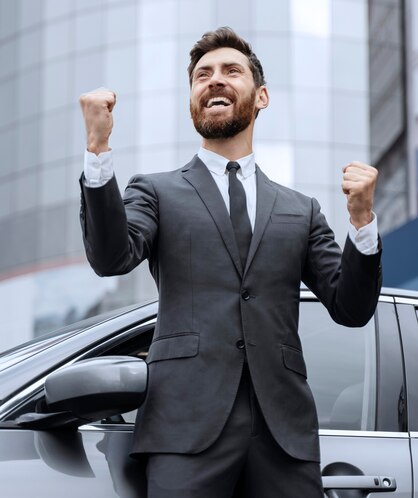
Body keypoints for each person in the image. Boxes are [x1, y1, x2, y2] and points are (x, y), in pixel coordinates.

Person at [79, 27, 382, 498]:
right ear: (193, 100)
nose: (214, 80)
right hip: (185, 432)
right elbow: (112, 257)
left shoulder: (300, 210)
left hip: (283, 436)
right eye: (203, 75)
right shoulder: (156, 191)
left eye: (230, 71)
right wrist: (98, 152)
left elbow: (352, 307)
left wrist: (361, 221)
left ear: (260, 96)